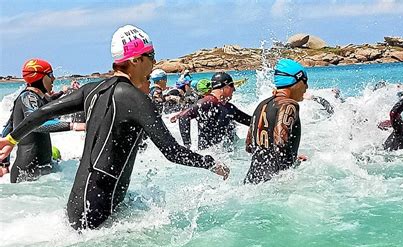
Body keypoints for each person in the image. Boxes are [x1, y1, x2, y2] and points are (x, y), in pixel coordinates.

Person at [0, 25, 229, 230]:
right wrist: (211, 163)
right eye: (151, 56)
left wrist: (11, 140)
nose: (154, 64)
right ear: (135, 60)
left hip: (77, 204)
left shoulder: (91, 89)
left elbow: (42, 113)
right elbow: (172, 152)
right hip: (100, 210)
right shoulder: (136, 99)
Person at [1, 58, 85, 183]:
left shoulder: (36, 98)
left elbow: (51, 104)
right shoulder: (27, 97)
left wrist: (66, 92)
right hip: (27, 171)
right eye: (50, 75)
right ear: (39, 77)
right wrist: (75, 126)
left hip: (42, 169)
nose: (53, 79)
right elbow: (37, 123)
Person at [244, 59, 308, 184]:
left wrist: (293, 156)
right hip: (272, 181)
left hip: (252, 179)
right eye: (305, 81)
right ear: (296, 81)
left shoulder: (262, 104)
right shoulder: (289, 105)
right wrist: (288, 170)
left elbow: (249, 146)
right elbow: (280, 143)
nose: (306, 87)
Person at [172, 72, 251, 150]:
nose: (234, 89)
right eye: (232, 86)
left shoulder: (229, 108)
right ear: (225, 87)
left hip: (227, 156)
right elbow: (184, 117)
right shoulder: (208, 101)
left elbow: (251, 122)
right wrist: (187, 146)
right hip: (210, 155)